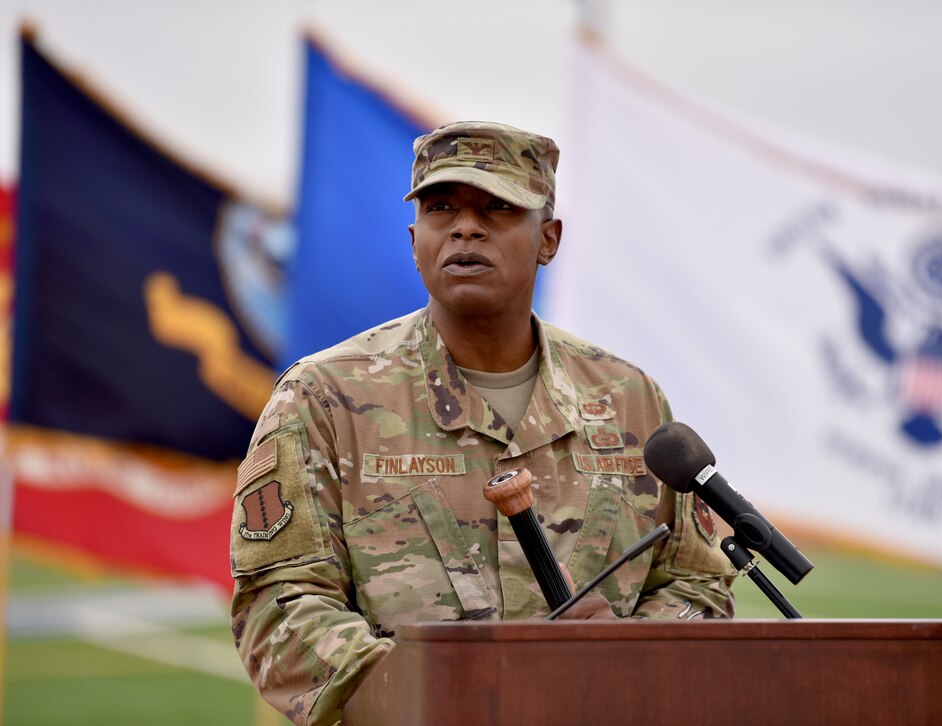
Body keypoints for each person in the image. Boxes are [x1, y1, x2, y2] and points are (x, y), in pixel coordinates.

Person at [230, 121, 736, 724]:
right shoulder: (324, 396)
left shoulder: (629, 399)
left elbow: (697, 587)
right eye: (442, 207)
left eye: (497, 208)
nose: (465, 227)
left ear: (548, 240)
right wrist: (432, 693)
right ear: (415, 239)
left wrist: (632, 651)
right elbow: (280, 604)